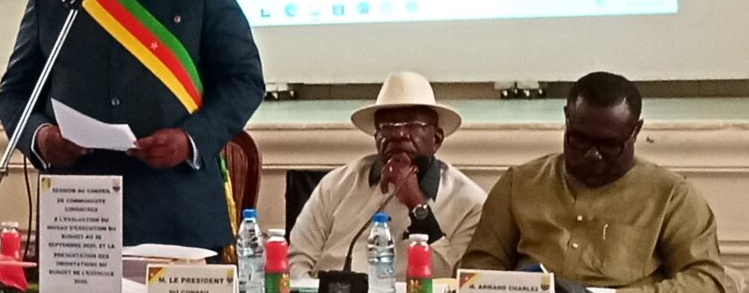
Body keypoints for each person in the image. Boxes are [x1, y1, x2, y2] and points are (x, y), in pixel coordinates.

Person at [0, 0, 264, 250]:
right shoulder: (54, 0)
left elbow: (244, 80)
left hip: (177, 205)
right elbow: (13, 94)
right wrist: (40, 137)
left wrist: (190, 139)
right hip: (79, 214)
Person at [461, 71, 728, 292]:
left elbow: (707, 281)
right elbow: (478, 268)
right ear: (566, 119)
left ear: (635, 131)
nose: (593, 155)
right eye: (579, 140)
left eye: (609, 145)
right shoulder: (519, 183)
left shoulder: (671, 196)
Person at [289, 71, 486, 279]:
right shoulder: (336, 184)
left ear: (436, 139)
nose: (399, 134)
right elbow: (296, 260)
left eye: (412, 125)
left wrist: (417, 206)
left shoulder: (469, 203)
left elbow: (456, 278)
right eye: (387, 126)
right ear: (377, 137)